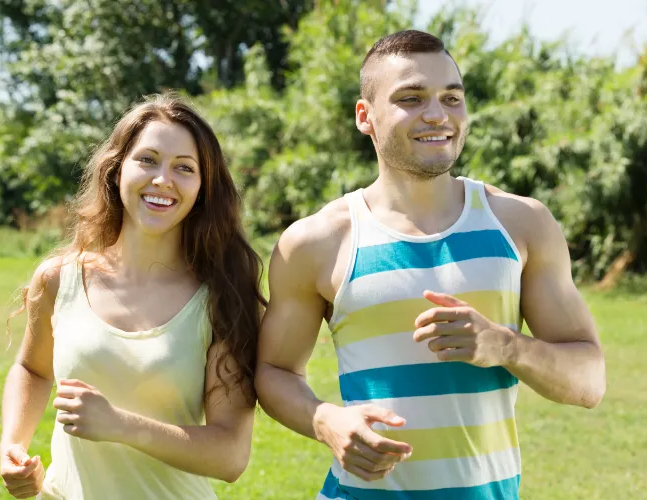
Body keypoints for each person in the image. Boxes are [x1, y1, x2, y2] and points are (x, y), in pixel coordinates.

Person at [255, 30, 606, 499]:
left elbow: (589, 381)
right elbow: (274, 372)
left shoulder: (521, 224)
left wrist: (505, 346)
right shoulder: (317, 241)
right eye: (411, 98)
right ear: (366, 116)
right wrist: (328, 422)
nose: (438, 115)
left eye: (452, 98)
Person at [0, 94, 265, 499]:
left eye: (184, 168)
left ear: (203, 188)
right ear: (116, 168)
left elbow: (230, 455)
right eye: (147, 159)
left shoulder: (222, 299)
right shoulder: (59, 278)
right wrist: (13, 444)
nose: (162, 179)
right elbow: (33, 370)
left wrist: (120, 425)